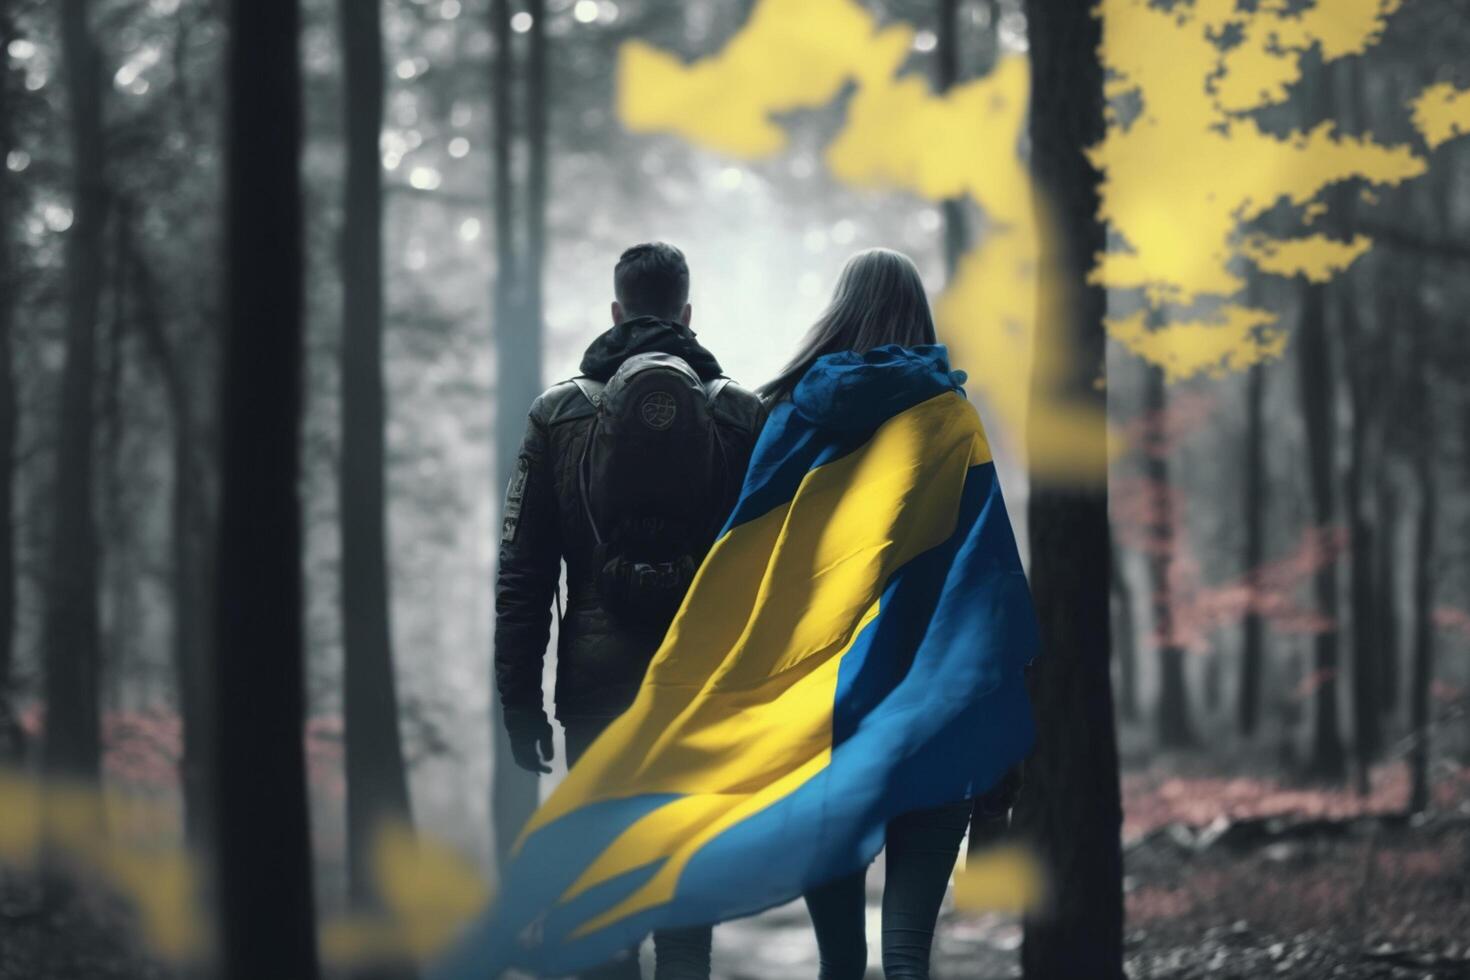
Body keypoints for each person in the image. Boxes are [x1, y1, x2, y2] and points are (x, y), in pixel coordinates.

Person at [493, 242, 766, 980]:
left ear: (616, 311)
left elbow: (523, 570)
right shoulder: (743, 415)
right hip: (701, 691)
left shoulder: (556, 416)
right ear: (687, 313)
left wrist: (518, 698)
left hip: (596, 691)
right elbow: (773, 570)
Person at [761, 247, 1022, 980]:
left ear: (839, 310)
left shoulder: (792, 418)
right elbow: (986, 581)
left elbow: (756, 575)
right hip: (930, 709)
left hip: (827, 719)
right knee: (908, 955)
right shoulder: (950, 423)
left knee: (840, 959)